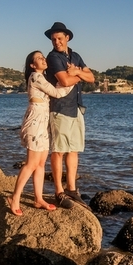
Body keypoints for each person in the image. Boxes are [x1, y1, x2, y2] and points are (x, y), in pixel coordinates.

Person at [6, 50, 77, 216]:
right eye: (39, 58)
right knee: (31, 163)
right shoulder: (35, 77)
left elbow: (56, 89)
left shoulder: (42, 77)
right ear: (32, 65)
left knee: (40, 164)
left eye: (43, 56)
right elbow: (57, 93)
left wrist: (69, 78)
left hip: (42, 121)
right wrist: (75, 78)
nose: (43, 59)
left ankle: (38, 199)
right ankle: (14, 198)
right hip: (35, 121)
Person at [44, 22, 95, 208]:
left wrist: (77, 71)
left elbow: (92, 78)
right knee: (58, 150)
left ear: (67, 38)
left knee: (73, 149)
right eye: (53, 39)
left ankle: (72, 189)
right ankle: (59, 192)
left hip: (76, 108)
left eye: (59, 38)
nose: (56, 42)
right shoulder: (53, 57)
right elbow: (65, 81)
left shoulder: (76, 56)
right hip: (60, 108)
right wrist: (79, 74)